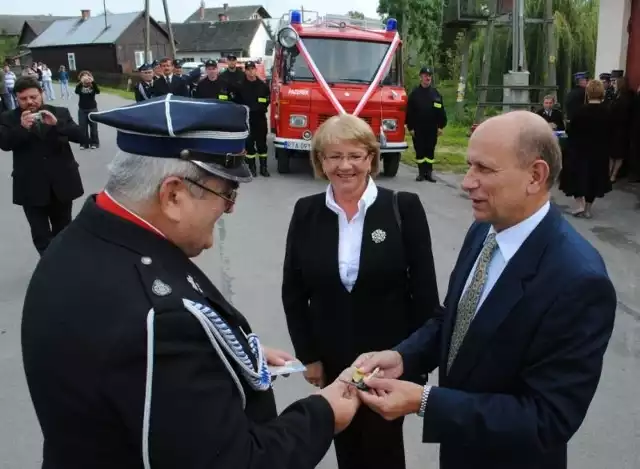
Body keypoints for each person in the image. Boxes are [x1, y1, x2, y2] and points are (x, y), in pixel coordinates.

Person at [21, 94, 360, 468]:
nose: (229, 208)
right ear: (173, 195)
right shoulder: (161, 319)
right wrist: (323, 413)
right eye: (227, 193)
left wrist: (224, 356)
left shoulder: (82, 240)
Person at [354, 110, 617, 469]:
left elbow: (548, 418)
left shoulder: (578, 280)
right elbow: (454, 316)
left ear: (535, 176)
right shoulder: (485, 231)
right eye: (469, 166)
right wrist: (404, 357)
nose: (466, 181)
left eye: (484, 169)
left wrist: (426, 401)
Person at [282, 114, 441, 469]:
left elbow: (425, 295)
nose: (345, 166)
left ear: (371, 157)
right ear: (320, 161)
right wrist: (309, 355)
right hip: (333, 359)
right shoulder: (306, 212)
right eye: (334, 156)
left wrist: (414, 363)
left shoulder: (403, 208)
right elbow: (293, 290)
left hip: (389, 363)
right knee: (345, 444)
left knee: (383, 450)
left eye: (355, 155)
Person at [0, 76, 86, 256]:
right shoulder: (8, 118)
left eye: (33, 97)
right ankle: (48, 268)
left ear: (42, 94)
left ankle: (61, 267)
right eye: (23, 99)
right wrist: (22, 128)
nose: (29, 102)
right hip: (30, 187)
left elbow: (82, 136)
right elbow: (5, 144)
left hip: (61, 184)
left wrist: (57, 125)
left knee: (63, 231)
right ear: (16, 98)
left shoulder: (59, 113)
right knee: (41, 235)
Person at [562, 80, 612, 218]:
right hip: (599, 151)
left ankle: (579, 204)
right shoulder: (607, 111)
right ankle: (588, 209)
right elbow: (610, 132)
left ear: (588, 93)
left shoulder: (579, 112)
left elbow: (571, 131)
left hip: (580, 150)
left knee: (577, 176)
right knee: (595, 178)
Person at [405, 66, 447, 182]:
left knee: (430, 150)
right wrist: (410, 127)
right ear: (420, 77)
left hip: (432, 128)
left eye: (429, 76)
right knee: (420, 150)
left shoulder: (436, 94)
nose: (427, 78)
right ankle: (421, 173)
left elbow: (441, 111)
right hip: (418, 128)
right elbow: (409, 112)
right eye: (425, 76)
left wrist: (441, 126)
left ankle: (429, 173)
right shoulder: (415, 94)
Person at [234, 61, 271, 177]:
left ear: (256, 70)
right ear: (245, 71)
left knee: (262, 145)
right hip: (247, 120)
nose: (251, 71)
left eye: (252, 69)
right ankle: (252, 168)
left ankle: (264, 168)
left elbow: (267, 100)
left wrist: (259, 107)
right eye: (248, 69)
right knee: (249, 144)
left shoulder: (263, 86)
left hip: (259, 118)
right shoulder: (240, 86)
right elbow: (236, 102)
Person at [75, 70, 100, 149]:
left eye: (87, 76)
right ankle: (84, 144)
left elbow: (98, 91)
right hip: (82, 109)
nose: (85, 78)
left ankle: (94, 143)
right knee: (82, 127)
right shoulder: (79, 86)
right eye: (83, 76)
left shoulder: (93, 86)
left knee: (94, 127)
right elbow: (76, 91)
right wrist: (80, 83)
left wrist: (93, 82)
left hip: (92, 109)